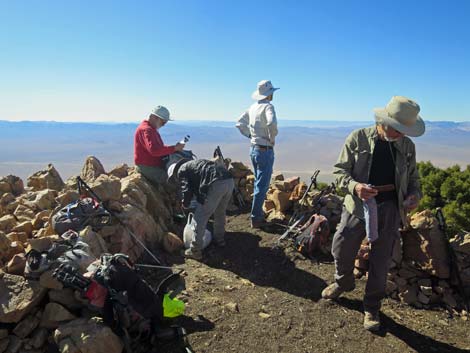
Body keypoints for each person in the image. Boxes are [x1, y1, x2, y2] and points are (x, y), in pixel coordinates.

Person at [322, 96, 425, 331]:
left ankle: (371, 306)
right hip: (358, 206)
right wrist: (356, 187)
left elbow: (414, 179)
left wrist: (414, 196)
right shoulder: (358, 138)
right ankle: (343, 283)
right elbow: (339, 172)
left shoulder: (407, 146)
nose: (400, 134)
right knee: (341, 246)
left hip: (390, 207)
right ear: (384, 121)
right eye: (398, 128)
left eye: (404, 130)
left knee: (380, 260)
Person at [167, 158, 234, 260]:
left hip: (216, 183)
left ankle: (195, 251)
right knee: (220, 212)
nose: (176, 180)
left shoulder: (182, 170)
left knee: (200, 217)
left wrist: (185, 204)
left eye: (174, 178)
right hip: (229, 180)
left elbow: (186, 190)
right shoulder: (194, 165)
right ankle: (219, 239)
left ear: (175, 172)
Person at [236, 80, 279, 228]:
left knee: (258, 183)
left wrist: (250, 135)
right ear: (269, 94)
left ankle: (257, 213)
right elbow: (271, 123)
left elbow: (239, 123)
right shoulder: (268, 107)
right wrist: (271, 138)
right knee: (262, 185)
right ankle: (256, 218)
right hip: (264, 149)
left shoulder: (252, 107)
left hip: (253, 148)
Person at [134, 105, 185, 185]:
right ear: (154, 117)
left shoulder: (151, 128)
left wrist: (173, 148)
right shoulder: (147, 130)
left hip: (153, 164)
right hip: (147, 166)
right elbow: (154, 150)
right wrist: (174, 148)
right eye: (163, 122)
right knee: (172, 181)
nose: (164, 124)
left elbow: (158, 148)